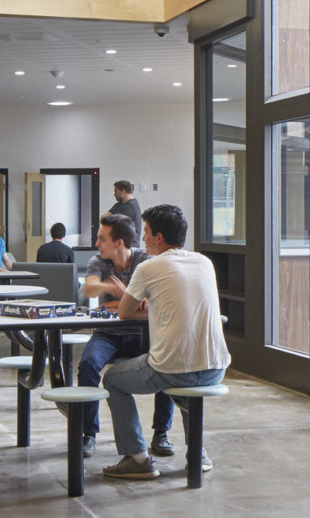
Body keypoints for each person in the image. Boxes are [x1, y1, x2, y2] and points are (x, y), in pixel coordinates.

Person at [101, 204, 230, 480]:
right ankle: (198, 453)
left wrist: (147, 303)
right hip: (216, 366)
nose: (142, 239)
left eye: (146, 232)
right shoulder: (204, 262)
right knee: (186, 376)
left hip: (172, 368)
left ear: (159, 237)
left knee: (112, 379)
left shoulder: (149, 267)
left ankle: (136, 458)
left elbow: (124, 312)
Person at [75, 214, 174, 458]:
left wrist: (113, 306)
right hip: (108, 334)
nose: (97, 244)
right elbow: (89, 288)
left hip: (144, 334)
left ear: (119, 242)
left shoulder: (146, 261)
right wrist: (115, 289)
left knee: (168, 363)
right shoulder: (98, 261)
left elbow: (152, 303)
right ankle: (89, 433)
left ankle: (161, 432)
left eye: (102, 238)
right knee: (87, 365)